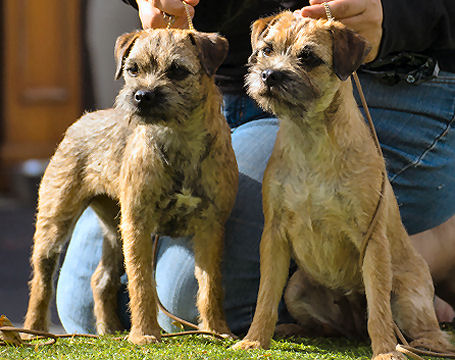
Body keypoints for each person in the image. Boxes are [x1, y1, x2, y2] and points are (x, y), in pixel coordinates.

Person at [56, 0, 455, 335]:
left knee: (182, 306)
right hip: (220, 91)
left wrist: (400, 13)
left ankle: (409, 263)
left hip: (380, 85)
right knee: (81, 306)